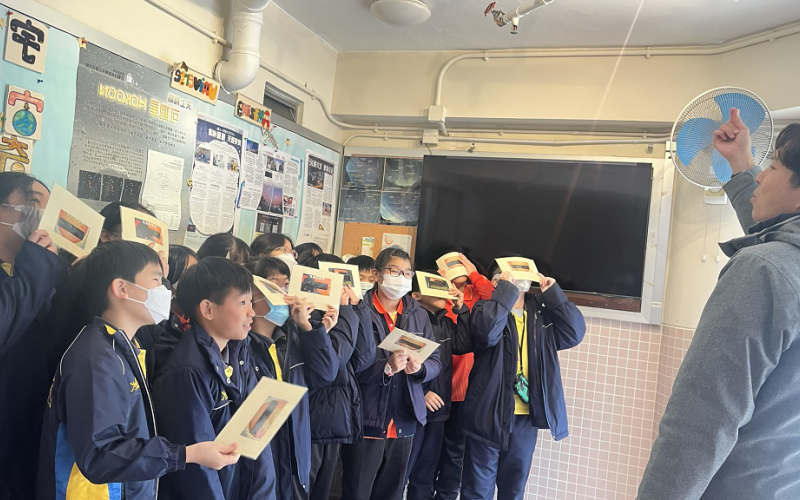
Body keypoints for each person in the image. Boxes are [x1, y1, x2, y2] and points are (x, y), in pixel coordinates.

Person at [636, 113, 800, 500]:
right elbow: (776, 233)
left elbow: (699, 424)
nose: (760, 177)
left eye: (773, 167)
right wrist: (740, 160)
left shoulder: (762, 271)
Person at [36, 242, 240, 500]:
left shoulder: (124, 346)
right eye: (156, 280)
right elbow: (101, 454)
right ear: (121, 288)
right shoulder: (97, 358)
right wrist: (187, 454)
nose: (165, 290)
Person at [459, 258, 585, 500]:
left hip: (525, 418)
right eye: (510, 273)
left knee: (514, 490)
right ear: (496, 281)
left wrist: (554, 294)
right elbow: (487, 334)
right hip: (487, 415)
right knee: (477, 492)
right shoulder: (485, 309)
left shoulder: (541, 314)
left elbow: (574, 333)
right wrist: (505, 293)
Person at [151, 257, 275, 499]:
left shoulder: (240, 352)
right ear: (208, 309)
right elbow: (197, 471)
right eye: (242, 302)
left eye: (251, 302)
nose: (252, 312)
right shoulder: (187, 372)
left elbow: (257, 439)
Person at [341, 248, 442, 500]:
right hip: (367, 418)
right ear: (377, 274)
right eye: (394, 271)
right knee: (357, 492)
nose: (401, 278)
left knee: (392, 493)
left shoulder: (418, 313)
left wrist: (420, 370)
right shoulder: (359, 309)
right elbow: (347, 365)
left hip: (404, 419)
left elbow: (436, 361)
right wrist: (385, 368)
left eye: (407, 273)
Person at [244, 256, 339, 500]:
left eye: (286, 285)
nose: (285, 294)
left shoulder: (293, 336)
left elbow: (326, 374)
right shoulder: (241, 345)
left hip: (296, 453)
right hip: (260, 458)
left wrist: (309, 329)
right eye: (274, 285)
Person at [0, 172, 63, 500]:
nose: (42, 218)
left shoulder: (27, 273)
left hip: (20, 439)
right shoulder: (31, 271)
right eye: (33, 204)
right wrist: (38, 265)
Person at [300, 254, 377, 500]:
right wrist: (345, 312)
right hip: (312, 415)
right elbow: (334, 361)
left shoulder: (343, 311)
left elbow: (364, 357)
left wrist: (358, 308)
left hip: (333, 414)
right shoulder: (308, 314)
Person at [405, 271, 474, 500]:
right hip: (412, 408)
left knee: (426, 470)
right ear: (416, 295)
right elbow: (400, 363)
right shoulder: (408, 321)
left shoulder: (445, 323)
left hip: (438, 410)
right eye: (433, 288)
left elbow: (463, 344)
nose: (441, 292)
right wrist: (422, 393)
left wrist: (461, 309)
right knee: (403, 469)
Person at [433, 252, 495, 500]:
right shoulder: (438, 296)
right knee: (431, 448)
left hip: (464, 388)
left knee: (454, 451)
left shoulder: (475, 295)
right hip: (435, 385)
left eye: (459, 264)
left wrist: (473, 273)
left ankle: (446, 495)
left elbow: (494, 297)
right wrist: (440, 285)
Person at [138, 244, 198, 376]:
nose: (194, 279)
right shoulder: (154, 322)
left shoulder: (196, 317)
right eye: (186, 272)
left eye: (196, 272)